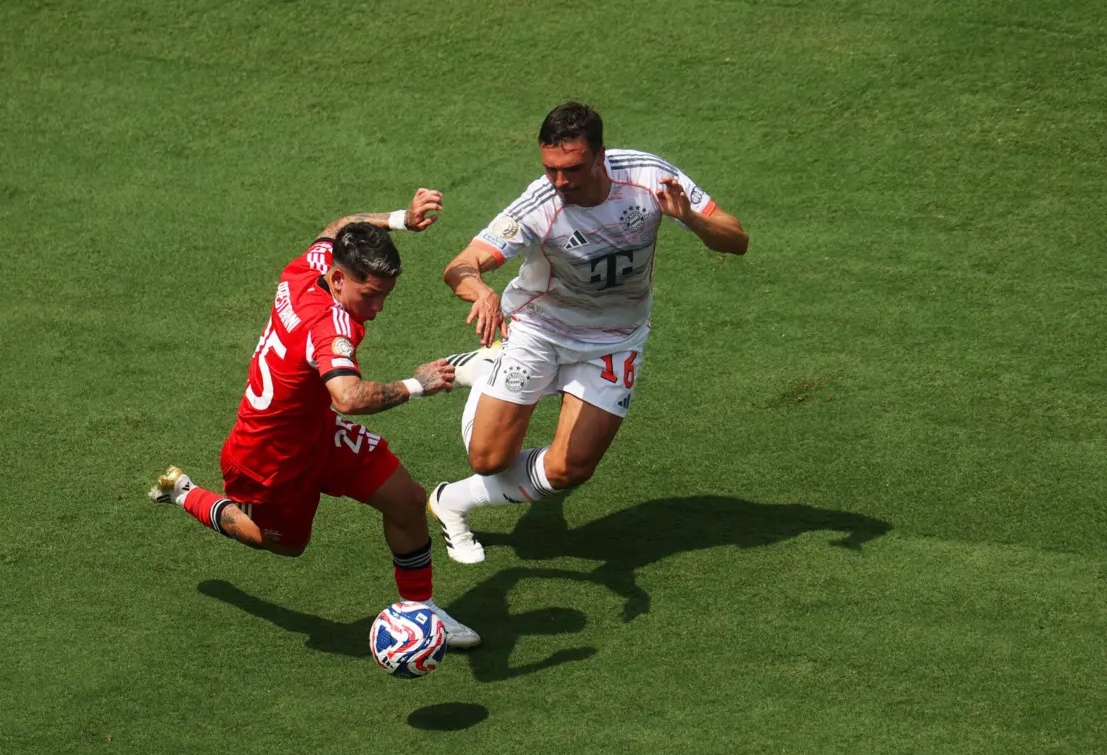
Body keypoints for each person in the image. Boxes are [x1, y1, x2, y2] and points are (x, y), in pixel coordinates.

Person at [149, 189, 480, 647]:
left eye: (386, 295)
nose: (379, 308)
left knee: (405, 500)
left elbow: (337, 226)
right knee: (283, 544)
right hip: (269, 457)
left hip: (316, 432)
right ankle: (185, 493)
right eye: (371, 295)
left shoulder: (306, 270)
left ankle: (420, 614)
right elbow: (347, 397)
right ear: (339, 279)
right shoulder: (329, 326)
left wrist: (401, 219)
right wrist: (419, 384)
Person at [431, 102, 749, 564]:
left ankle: (453, 500)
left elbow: (736, 239)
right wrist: (479, 290)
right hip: (538, 332)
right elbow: (461, 264)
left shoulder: (648, 177)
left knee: (572, 468)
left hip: (615, 340)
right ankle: (485, 373)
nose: (561, 181)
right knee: (488, 460)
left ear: (602, 156)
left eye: (573, 168)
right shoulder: (539, 205)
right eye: (551, 168)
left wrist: (691, 218)